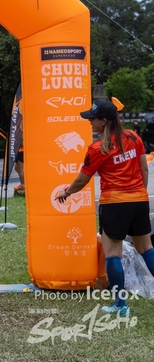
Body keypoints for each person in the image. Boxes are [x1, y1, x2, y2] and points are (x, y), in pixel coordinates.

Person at [55, 98, 154, 317]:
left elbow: (82, 180)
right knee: (147, 249)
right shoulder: (134, 137)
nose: (90, 122)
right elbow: (144, 169)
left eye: (93, 119)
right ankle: (120, 304)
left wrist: (66, 192)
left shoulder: (97, 148)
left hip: (114, 205)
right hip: (139, 201)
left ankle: (121, 305)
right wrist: (140, 193)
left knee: (112, 255)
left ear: (104, 121)